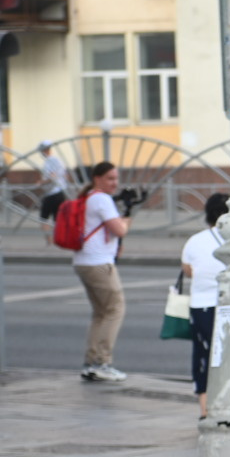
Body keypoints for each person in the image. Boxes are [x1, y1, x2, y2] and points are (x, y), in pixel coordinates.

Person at [72, 161, 136, 382]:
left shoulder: (89, 197)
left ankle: (91, 363)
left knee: (101, 313)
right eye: (110, 178)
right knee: (115, 310)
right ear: (97, 178)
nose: (115, 183)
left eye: (116, 178)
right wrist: (127, 217)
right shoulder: (102, 199)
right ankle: (102, 363)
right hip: (99, 263)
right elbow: (119, 229)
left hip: (84, 261)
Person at [181, 193, 229, 418]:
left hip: (201, 307)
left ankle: (205, 410)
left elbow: (188, 270)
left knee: (203, 356)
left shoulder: (195, 240)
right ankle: (229, 404)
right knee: (229, 356)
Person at [37, 139, 70, 234]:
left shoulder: (50, 161)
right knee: (57, 218)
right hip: (60, 192)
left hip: (52, 193)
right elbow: (65, 175)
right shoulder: (57, 160)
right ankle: (58, 238)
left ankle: (50, 240)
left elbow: (52, 177)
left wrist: (41, 182)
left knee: (44, 218)